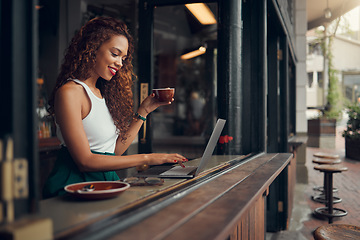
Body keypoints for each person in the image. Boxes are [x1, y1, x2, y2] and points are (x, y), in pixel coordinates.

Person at [43, 17, 187, 198]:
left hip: (104, 184)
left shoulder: (102, 94)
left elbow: (114, 152)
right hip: (75, 185)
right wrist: (149, 158)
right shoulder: (70, 92)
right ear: (92, 48)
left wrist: (144, 111)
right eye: (115, 54)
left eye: (123, 58)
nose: (120, 63)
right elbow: (85, 161)